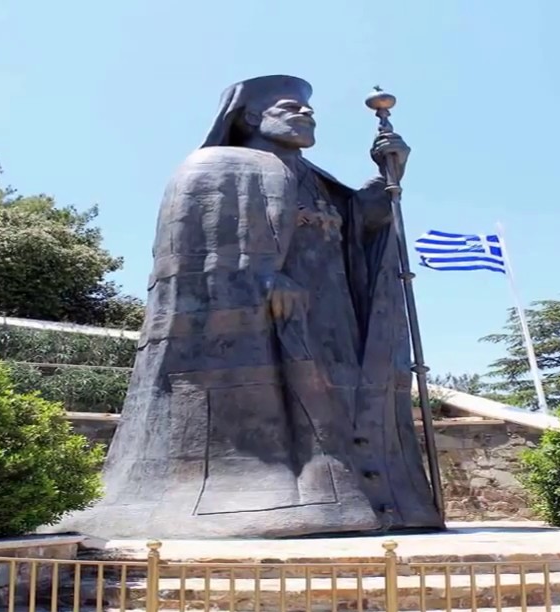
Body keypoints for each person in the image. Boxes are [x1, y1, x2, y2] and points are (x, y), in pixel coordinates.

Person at [66, 75, 444, 539]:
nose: (306, 114)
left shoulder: (314, 177)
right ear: (248, 117)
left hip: (331, 315)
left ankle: (362, 500)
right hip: (265, 315)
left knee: (337, 402)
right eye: (291, 107)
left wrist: (387, 178)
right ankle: (266, 501)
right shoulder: (215, 165)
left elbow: (353, 225)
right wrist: (261, 278)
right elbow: (192, 249)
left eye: (310, 110)